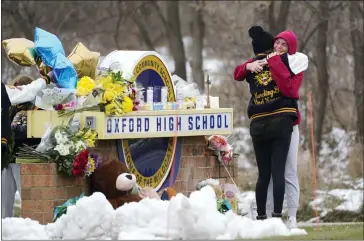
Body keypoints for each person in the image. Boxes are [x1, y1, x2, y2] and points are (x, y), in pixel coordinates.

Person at [234, 27, 307, 228]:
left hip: (289, 124)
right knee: (269, 174)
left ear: (290, 48)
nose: (279, 46)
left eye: (284, 44)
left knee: (288, 171)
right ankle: (266, 216)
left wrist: (273, 62)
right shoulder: (264, 59)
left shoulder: (296, 61)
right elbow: (238, 72)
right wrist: (249, 66)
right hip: (266, 122)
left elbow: (289, 89)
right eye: (277, 42)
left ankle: (291, 217)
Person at [1, 71, 52, 218]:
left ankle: (30, 229)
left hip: (25, 159)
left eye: (21, 88)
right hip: (7, 161)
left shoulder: (39, 107)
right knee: (4, 203)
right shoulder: (9, 107)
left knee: (28, 199)